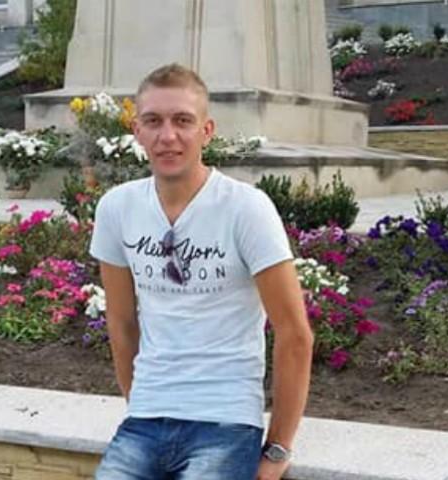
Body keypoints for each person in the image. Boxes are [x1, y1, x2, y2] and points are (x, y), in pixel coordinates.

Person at [89, 63, 314, 480]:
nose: (167, 136)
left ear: (206, 131)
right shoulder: (117, 208)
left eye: (182, 121)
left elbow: (294, 333)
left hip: (225, 423)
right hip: (144, 422)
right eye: (153, 121)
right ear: (137, 131)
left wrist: (278, 448)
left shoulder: (245, 208)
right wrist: (140, 403)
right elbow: (120, 322)